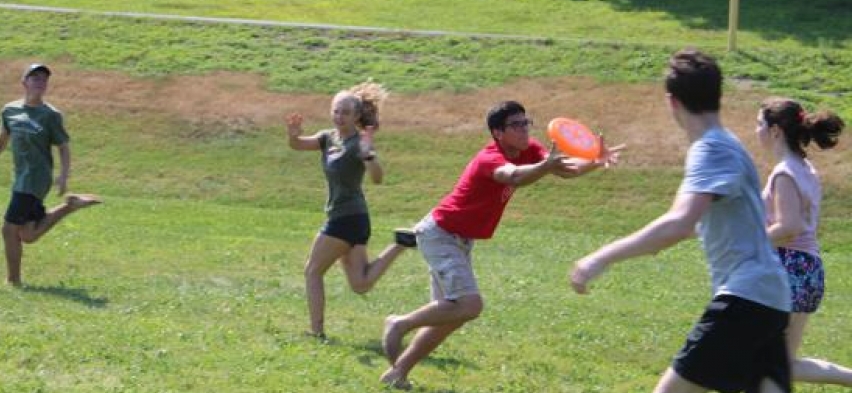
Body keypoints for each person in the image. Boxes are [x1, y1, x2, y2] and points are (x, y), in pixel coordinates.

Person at [570, 48, 793, 393]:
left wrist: (600, 257)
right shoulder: (728, 144)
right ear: (718, 95)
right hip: (771, 297)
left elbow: (679, 223)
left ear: (671, 102)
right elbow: (700, 222)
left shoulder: (711, 149)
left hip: (746, 295)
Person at [380, 100, 621, 389]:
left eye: (525, 123)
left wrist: (595, 160)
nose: (523, 129)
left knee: (452, 315)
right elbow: (515, 176)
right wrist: (545, 166)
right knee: (469, 305)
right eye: (515, 125)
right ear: (497, 133)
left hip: (459, 239)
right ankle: (399, 323)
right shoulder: (489, 158)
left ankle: (398, 372)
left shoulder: (528, 150)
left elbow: (565, 168)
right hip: (440, 234)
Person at [286, 81, 414, 340]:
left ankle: (316, 331)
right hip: (353, 219)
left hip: (346, 219)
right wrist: (293, 134)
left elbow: (377, 177)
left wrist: (369, 157)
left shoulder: (359, 144)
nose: (339, 116)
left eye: (345, 112)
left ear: (356, 116)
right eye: (336, 111)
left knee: (312, 270)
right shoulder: (326, 138)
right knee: (361, 284)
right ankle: (400, 244)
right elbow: (299, 145)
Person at [0, 63, 101, 287]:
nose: (40, 82)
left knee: (8, 229)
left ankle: (13, 281)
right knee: (28, 234)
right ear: (24, 82)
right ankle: (70, 205)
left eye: (43, 79)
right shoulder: (10, 111)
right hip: (20, 177)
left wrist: (63, 176)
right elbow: (0, 143)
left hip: (36, 179)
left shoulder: (51, 116)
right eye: (34, 77)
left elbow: (63, 147)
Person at [756, 97, 851, 386]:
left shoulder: (785, 172)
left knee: (761, 361)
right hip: (806, 270)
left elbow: (789, 226)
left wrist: (750, 240)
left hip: (790, 270)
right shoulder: (804, 167)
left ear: (775, 132)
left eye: (760, 124)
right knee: (781, 364)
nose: (756, 130)